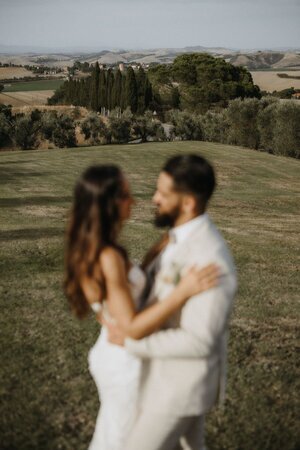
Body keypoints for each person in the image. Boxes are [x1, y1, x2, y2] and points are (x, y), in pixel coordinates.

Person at [63, 164, 219, 450]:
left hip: (114, 352)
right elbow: (132, 327)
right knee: (125, 439)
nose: (134, 200)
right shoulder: (108, 256)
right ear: (107, 203)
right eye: (125, 195)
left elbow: (114, 301)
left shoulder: (99, 247)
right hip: (125, 361)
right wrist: (183, 291)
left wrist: (156, 251)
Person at [106, 154, 237, 450]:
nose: (154, 199)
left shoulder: (210, 260)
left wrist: (130, 342)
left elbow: (199, 342)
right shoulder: (175, 240)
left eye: (163, 194)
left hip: (178, 389)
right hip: (159, 377)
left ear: (188, 203)